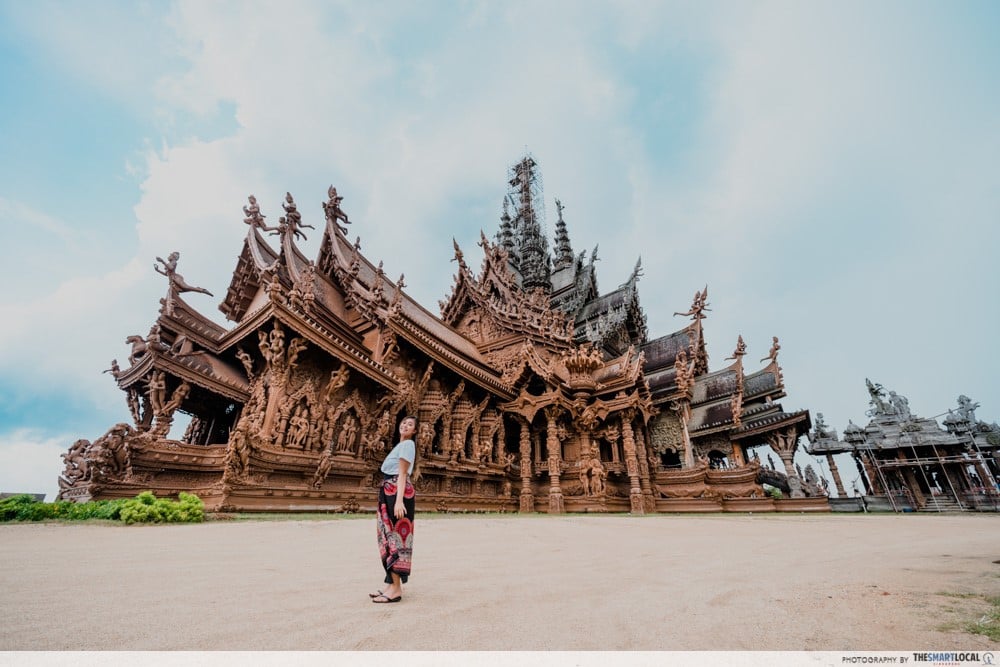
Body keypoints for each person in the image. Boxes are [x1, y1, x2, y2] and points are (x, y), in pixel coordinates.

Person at [370, 415, 418, 603]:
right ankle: (391, 584)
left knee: (395, 537)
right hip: (389, 489)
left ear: (415, 431)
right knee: (387, 535)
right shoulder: (401, 445)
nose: (405, 425)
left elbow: (403, 474)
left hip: (397, 492)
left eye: (410, 424)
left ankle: (396, 589)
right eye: (404, 422)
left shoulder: (408, 445)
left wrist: (399, 502)